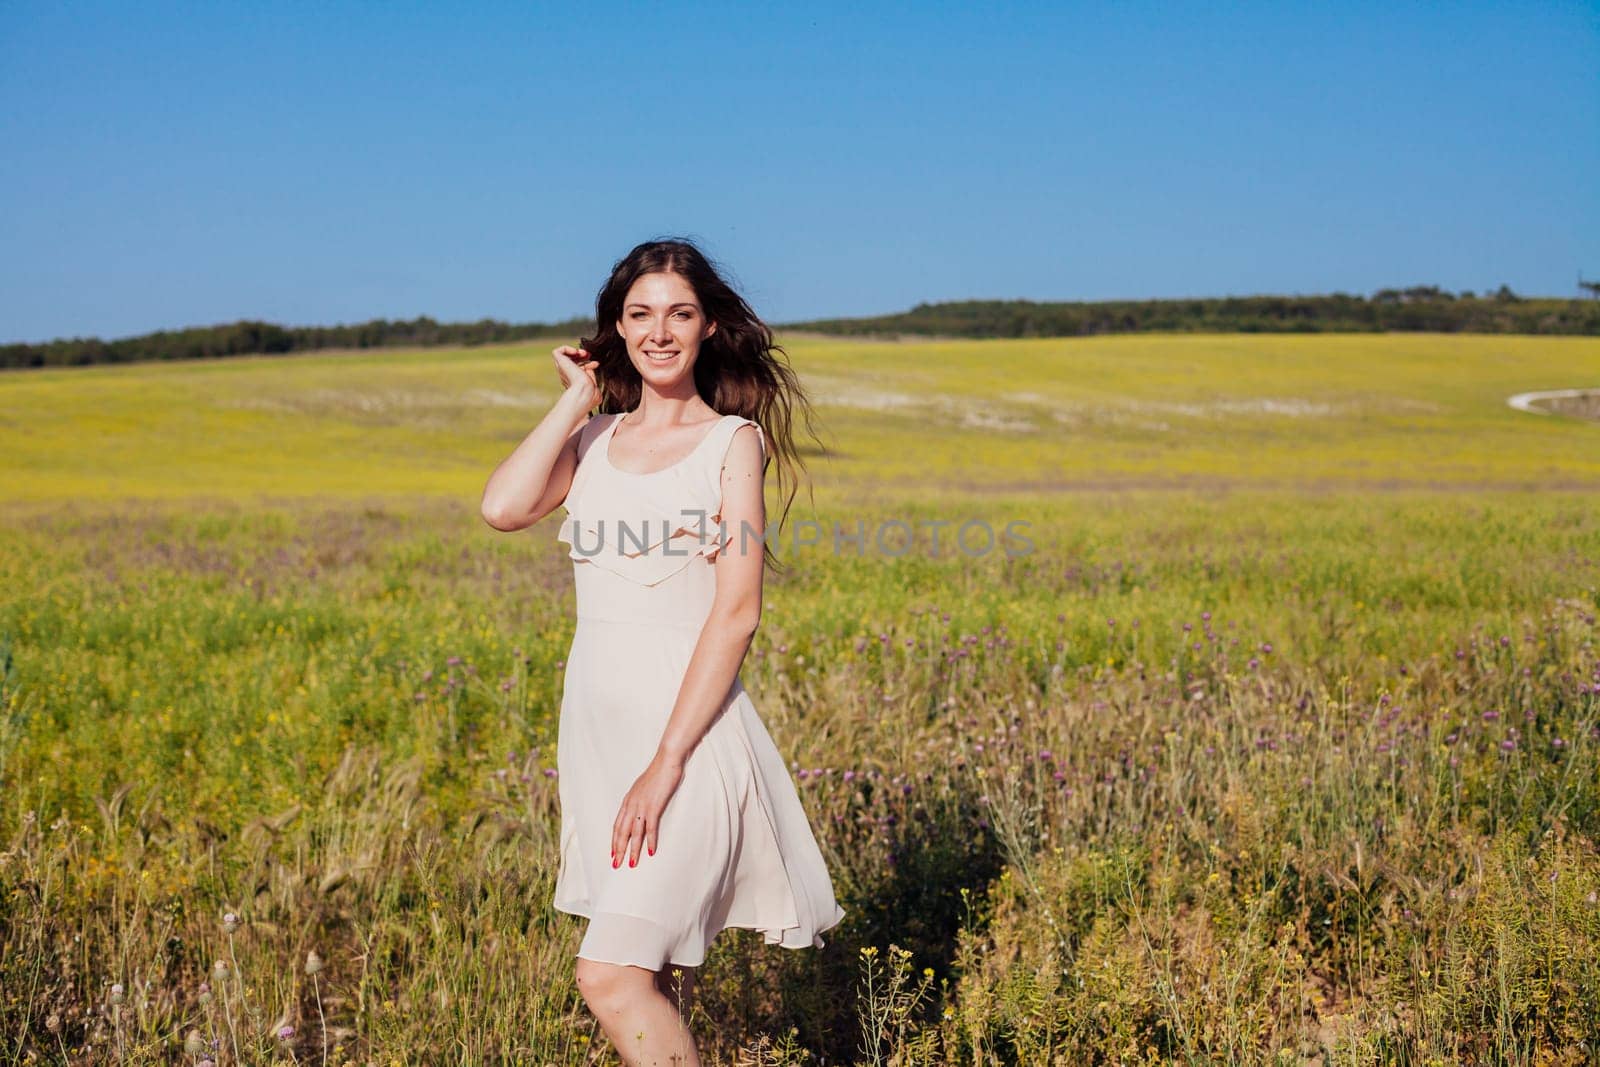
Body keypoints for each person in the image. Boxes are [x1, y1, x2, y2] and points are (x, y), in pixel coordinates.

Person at [480, 237, 845, 1064]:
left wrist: (666, 761)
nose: (659, 330)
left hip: (687, 745)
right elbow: (502, 507)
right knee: (650, 977)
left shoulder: (732, 445)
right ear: (616, 326)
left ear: (709, 325)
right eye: (639, 314)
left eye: (679, 313)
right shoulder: (593, 442)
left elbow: (739, 611)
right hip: (600, 742)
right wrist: (578, 398)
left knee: (608, 975)